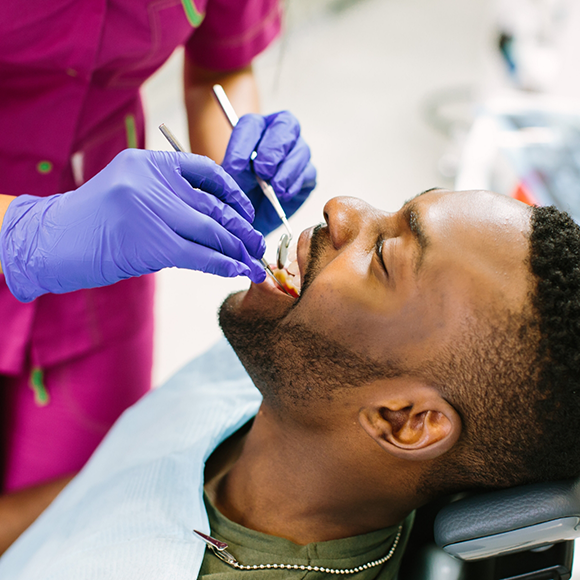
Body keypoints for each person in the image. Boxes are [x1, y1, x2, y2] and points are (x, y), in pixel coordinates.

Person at [1, 186, 579, 579]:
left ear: (402, 421)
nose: (341, 207)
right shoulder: (288, 380)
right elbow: (94, 496)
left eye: (381, 253)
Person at [0, 0, 308, 535]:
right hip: (84, 225)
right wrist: (25, 231)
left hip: (113, 242)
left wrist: (236, 164)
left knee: (87, 487)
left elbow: (220, 64)